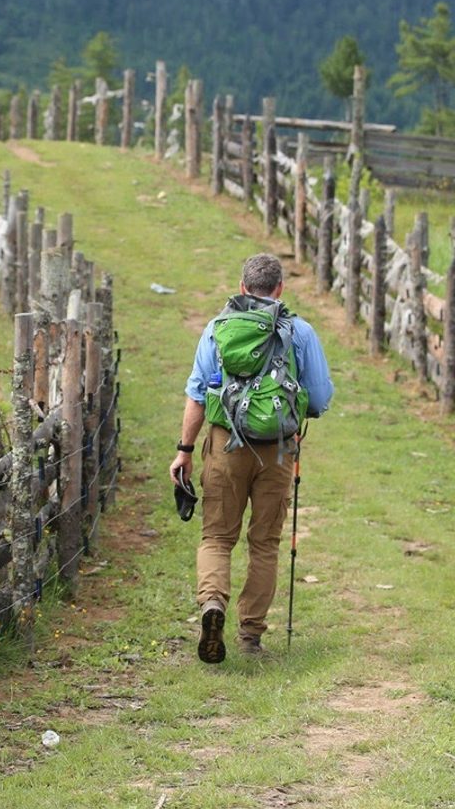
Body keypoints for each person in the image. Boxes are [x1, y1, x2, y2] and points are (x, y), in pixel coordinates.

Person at [169, 253, 333, 663]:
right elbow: (321, 396)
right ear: (280, 289)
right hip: (277, 450)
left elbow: (196, 395)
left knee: (217, 537)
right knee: (264, 543)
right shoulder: (300, 331)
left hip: (225, 444)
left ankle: (212, 605)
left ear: (242, 287)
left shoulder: (217, 328)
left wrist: (185, 451)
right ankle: (250, 637)